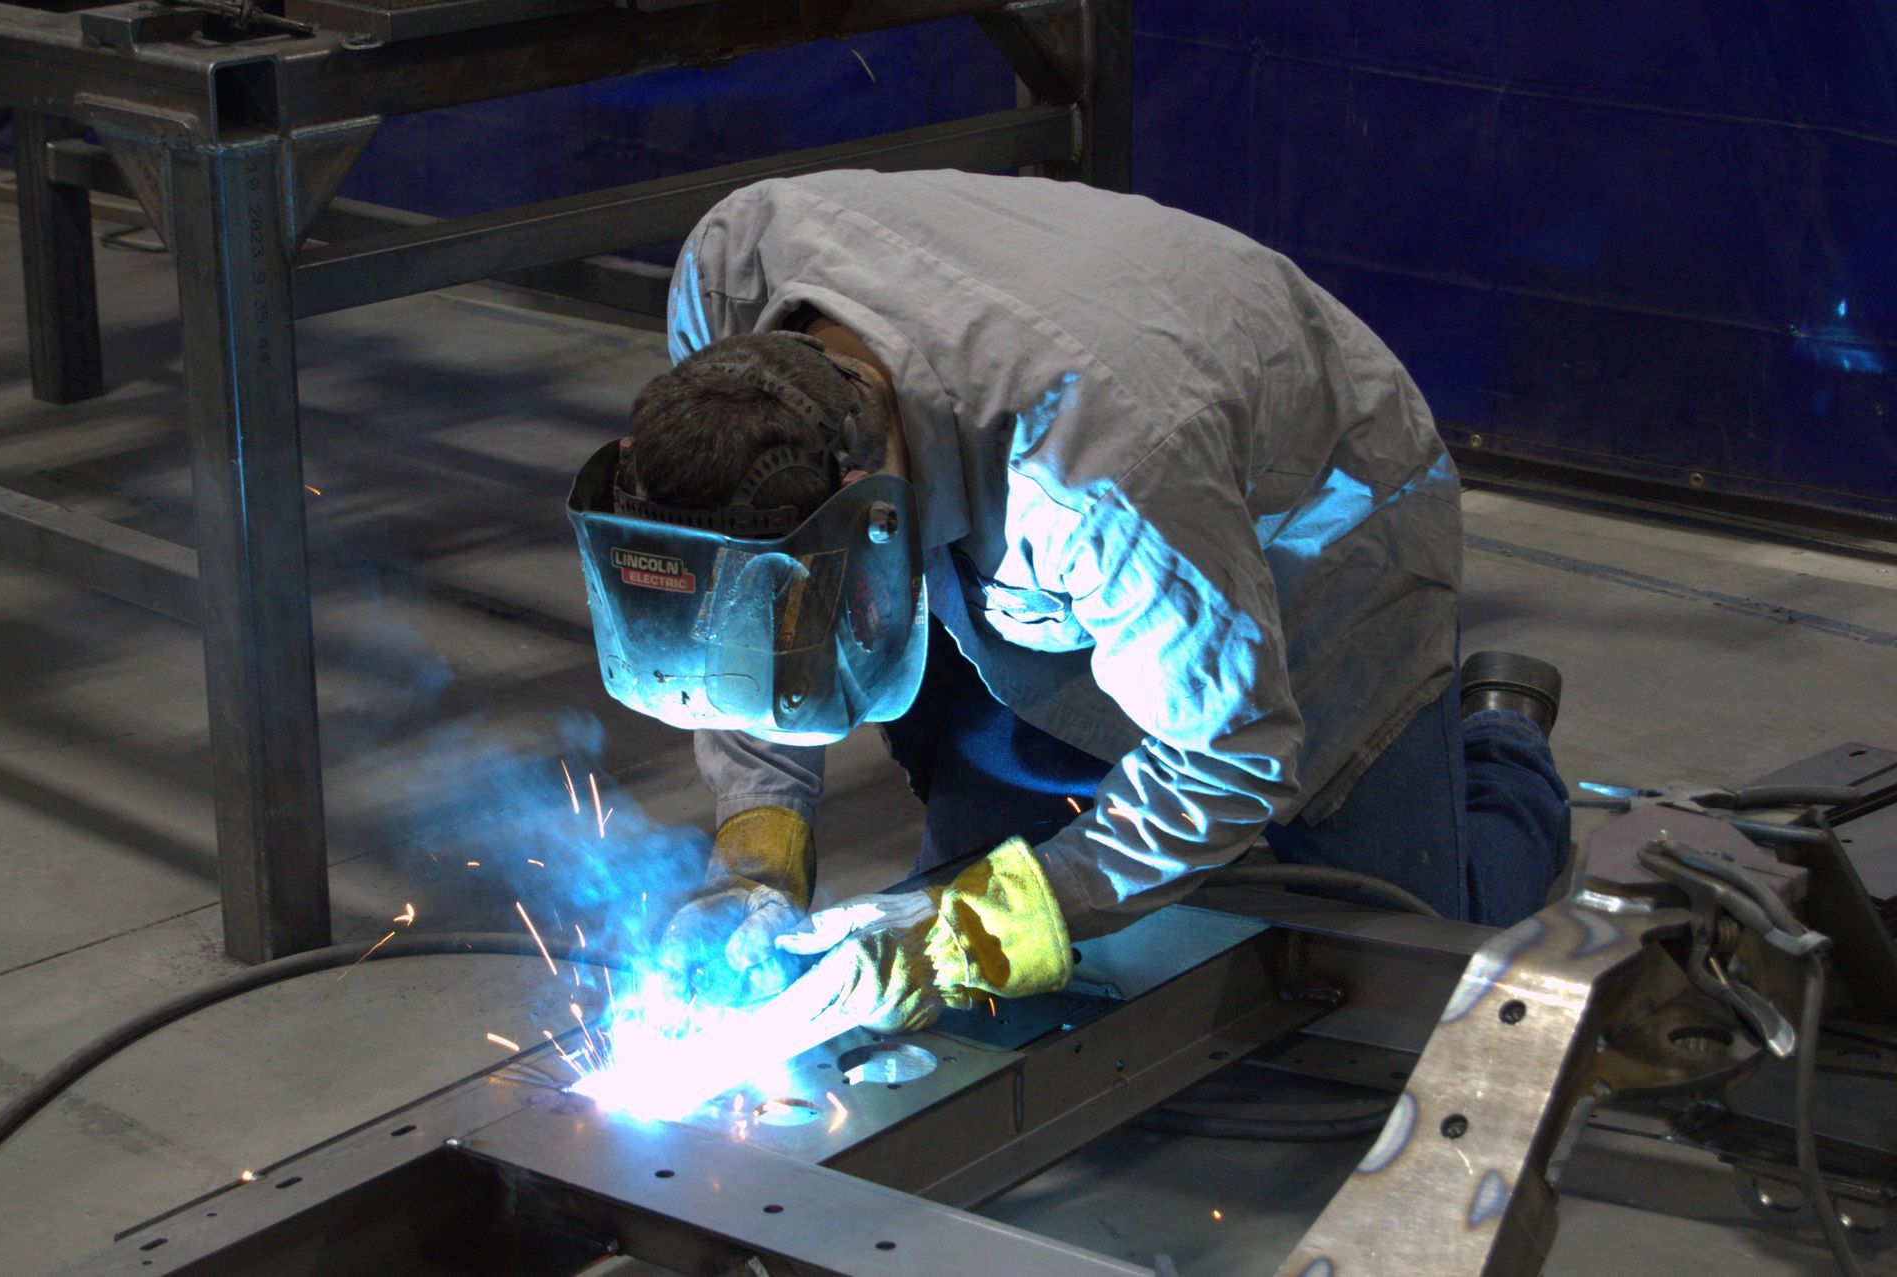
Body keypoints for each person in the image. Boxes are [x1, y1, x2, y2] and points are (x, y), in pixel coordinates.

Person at [567, 170, 1570, 1033]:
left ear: (872, 512)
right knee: (1002, 954)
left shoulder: (1101, 475)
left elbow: (1228, 760)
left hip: (1315, 523)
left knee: (1414, 964)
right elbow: (755, 607)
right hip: (1049, 546)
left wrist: (962, 935)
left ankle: (1500, 743)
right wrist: (759, 843)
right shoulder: (732, 279)